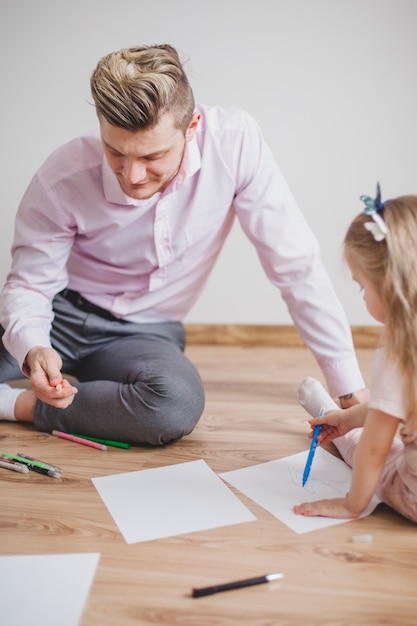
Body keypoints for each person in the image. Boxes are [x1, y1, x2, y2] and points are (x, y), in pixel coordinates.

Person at [0, 44, 367, 446]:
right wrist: (34, 346)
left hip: (146, 332)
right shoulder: (63, 175)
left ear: (192, 126)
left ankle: (15, 405)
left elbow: (295, 266)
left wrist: (350, 391)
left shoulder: (235, 144)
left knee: (174, 403)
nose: (133, 175)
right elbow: (29, 286)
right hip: (60, 312)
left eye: (152, 155)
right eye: (116, 153)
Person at [295, 186, 417, 523]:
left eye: (362, 286)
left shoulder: (400, 356)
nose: (362, 297)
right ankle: (342, 416)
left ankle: (327, 409)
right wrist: (350, 419)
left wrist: (352, 504)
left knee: (370, 446)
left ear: (390, 286)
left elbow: (376, 448)